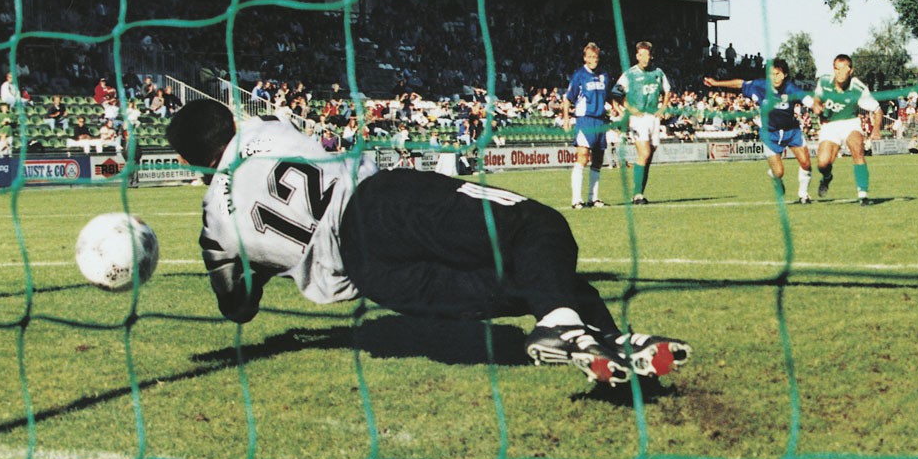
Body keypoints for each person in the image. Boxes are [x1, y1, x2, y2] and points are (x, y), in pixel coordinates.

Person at [166, 99, 691, 386]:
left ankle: (591, 336)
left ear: (194, 162)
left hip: (370, 274)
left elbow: (237, 307)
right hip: (384, 204)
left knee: (514, 287)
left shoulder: (215, 220)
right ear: (231, 122)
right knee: (538, 228)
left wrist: (256, 267)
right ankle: (567, 326)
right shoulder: (266, 124)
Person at [704, 58, 814, 203]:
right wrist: (717, 83)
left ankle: (803, 195)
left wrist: (819, 108)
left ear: (785, 75)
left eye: (777, 74)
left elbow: (809, 100)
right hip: (770, 134)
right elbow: (740, 83)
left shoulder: (791, 89)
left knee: (806, 163)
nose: (774, 77)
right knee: (779, 172)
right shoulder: (760, 86)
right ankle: (776, 179)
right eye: (771, 74)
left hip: (791, 130)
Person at [811, 54, 883, 205]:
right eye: (837, 69)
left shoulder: (858, 88)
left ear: (851, 71)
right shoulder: (824, 81)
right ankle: (827, 177)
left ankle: (863, 195)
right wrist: (816, 105)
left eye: (844, 69)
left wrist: (876, 130)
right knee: (822, 164)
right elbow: (817, 98)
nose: (840, 73)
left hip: (851, 122)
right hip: (829, 125)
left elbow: (877, 110)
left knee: (857, 148)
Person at [610, 41, 672, 205]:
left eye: (647, 54)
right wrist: (628, 108)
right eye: (641, 55)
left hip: (653, 118)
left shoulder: (658, 73)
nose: (645, 58)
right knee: (644, 153)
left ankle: (639, 193)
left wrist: (663, 107)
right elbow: (616, 93)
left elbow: (668, 90)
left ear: (651, 55)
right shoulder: (630, 74)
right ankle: (637, 194)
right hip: (638, 119)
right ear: (637, 56)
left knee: (649, 156)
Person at [562, 42, 611, 209]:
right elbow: (568, 98)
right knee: (582, 156)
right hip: (585, 120)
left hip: (600, 120)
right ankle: (576, 199)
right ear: (584, 58)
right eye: (590, 57)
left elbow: (610, 96)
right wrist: (567, 117)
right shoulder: (579, 75)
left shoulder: (605, 75)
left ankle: (593, 198)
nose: (593, 60)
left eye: (595, 57)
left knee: (598, 160)